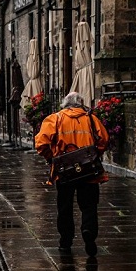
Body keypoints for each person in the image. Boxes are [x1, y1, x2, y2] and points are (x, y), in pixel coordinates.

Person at [34, 92, 109, 257]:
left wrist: (51, 157)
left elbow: (41, 143)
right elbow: (103, 140)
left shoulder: (55, 119)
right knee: (89, 206)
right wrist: (93, 154)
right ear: (80, 104)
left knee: (65, 207)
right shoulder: (91, 119)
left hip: (64, 171)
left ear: (64, 104)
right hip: (88, 170)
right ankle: (89, 232)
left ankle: (65, 242)